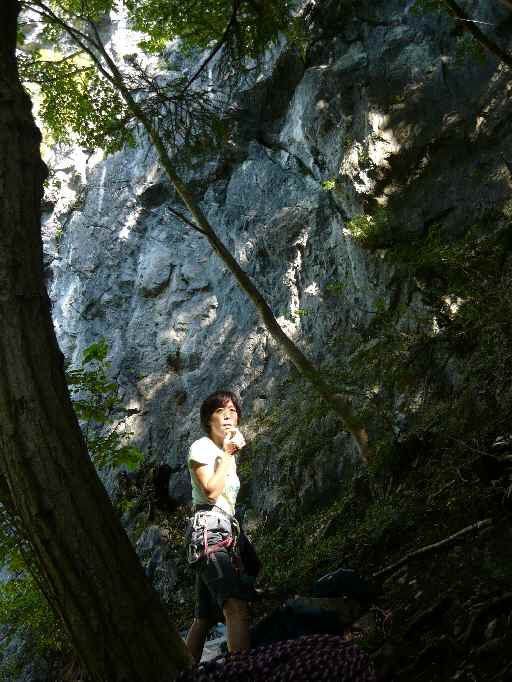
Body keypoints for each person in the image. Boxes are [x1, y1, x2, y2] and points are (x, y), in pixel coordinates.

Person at [185, 390, 254, 664]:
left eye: (232, 411)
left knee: (203, 619)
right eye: (219, 411)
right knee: (236, 607)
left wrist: (228, 454)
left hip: (225, 530)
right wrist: (227, 453)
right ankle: (244, 672)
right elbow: (211, 492)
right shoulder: (201, 447)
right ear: (208, 420)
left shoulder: (227, 454)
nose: (227, 416)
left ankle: (183, 673)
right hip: (208, 529)